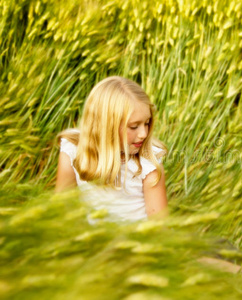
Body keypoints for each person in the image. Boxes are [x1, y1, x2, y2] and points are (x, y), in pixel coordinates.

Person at [55, 76, 168, 222]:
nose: (144, 134)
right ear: (106, 126)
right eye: (134, 126)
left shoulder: (148, 165)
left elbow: (160, 226)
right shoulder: (74, 150)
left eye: (147, 123)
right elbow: (60, 208)